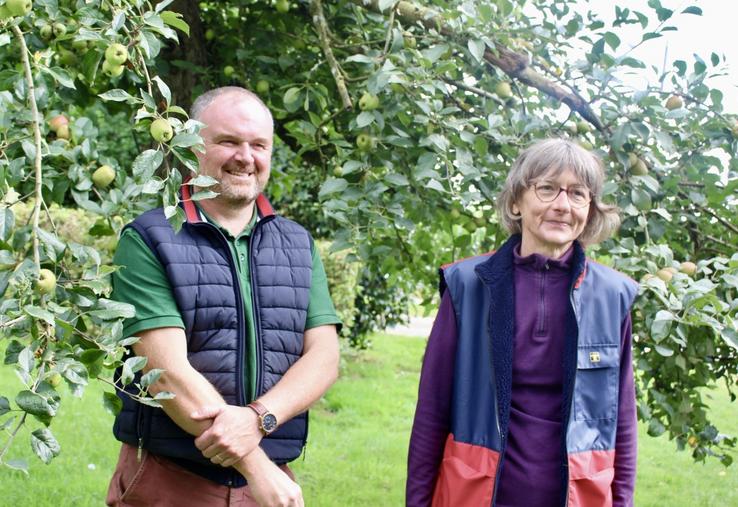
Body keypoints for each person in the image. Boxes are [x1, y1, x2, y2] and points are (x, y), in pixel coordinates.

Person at [106, 86, 341, 507]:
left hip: (269, 480)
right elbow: (164, 372)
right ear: (194, 145)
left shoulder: (297, 244)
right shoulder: (147, 239)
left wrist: (258, 419)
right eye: (229, 141)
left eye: (258, 145)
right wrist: (255, 464)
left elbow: (324, 357)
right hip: (172, 480)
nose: (245, 157)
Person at [406, 138, 639, 507]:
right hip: (477, 496)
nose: (562, 206)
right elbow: (432, 410)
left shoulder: (613, 296)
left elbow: (621, 420)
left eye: (578, 194)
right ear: (516, 201)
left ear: (590, 209)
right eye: (547, 189)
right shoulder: (467, 285)